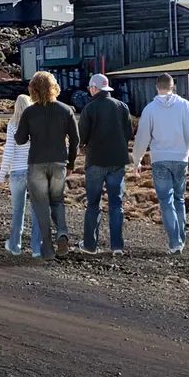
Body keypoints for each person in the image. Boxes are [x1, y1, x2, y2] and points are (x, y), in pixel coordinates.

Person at [129, 73, 189, 254]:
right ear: (173, 87)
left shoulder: (149, 109)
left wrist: (137, 160)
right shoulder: (185, 106)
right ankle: (181, 238)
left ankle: (175, 242)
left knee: (166, 202)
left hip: (160, 160)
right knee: (179, 199)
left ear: (157, 87)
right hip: (181, 159)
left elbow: (141, 138)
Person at [11, 70, 79, 260]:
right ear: (53, 87)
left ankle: (47, 249)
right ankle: (62, 234)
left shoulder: (29, 113)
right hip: (59, 163)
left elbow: (20, 140)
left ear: (33, 89)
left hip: (36, 164)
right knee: (57, 201)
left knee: (40, 205)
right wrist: (71, 163)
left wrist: (22, 128)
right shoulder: (66, 110)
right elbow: (75, 139)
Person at [76, 72, 134, 254]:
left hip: (95, 161)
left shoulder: (89, 108)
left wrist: (82, 146)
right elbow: (128, 133)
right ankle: (117, 246)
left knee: (93, 204)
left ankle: (90, 245)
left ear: (94, 88)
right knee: (116, 204)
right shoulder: (122, 106)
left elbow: (82, 137)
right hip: (117, 161)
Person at [0, 93, 41, 257]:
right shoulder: (37, 123)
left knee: (18, 211)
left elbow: (8, 151)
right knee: (37, 210)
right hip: (35, 172)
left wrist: (1, 176)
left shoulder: (13, 124)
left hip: (16, 172)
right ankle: (37, 248)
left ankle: (15, 245)